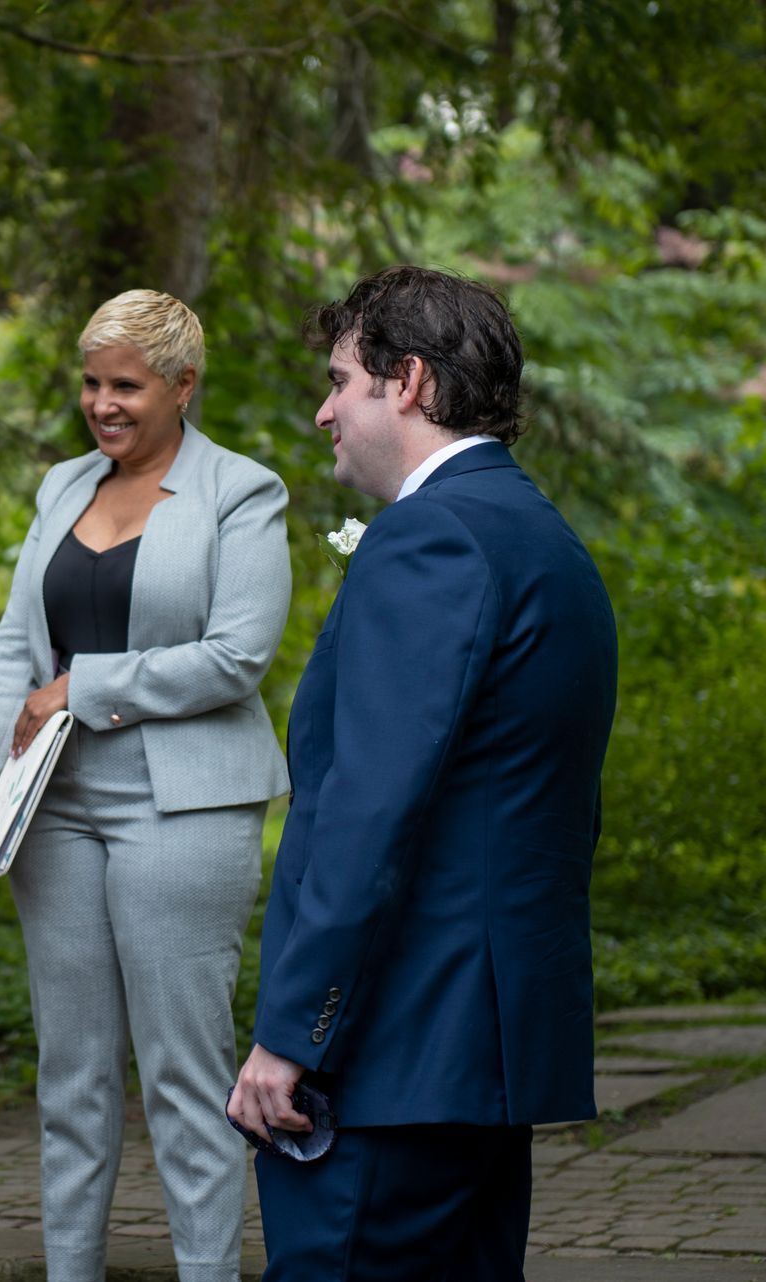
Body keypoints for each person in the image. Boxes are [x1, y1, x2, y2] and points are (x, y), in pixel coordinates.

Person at [228, 266, 618, 1280]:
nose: (324, 411)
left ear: (406, 383)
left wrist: (293, 1032)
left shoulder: (430, 537)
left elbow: (370, 810)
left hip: (395, 1054)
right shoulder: (548, 542)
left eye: (340, 380)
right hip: (487, 1056)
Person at [0, 290, 292, 1282]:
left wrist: (82, 686)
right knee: (73, 1076)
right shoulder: (62, 485)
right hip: (52, 812)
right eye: (92, 382)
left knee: (184, 1075)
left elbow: (237, 657)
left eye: (126, 386)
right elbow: (16, 646)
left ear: (184, 387)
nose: (102, 403)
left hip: (183, 809)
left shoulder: (243, 492)